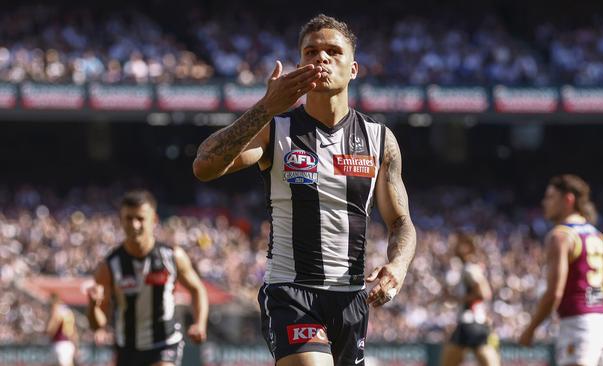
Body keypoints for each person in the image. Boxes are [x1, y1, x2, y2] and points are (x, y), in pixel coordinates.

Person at [193, 14, 417, 366]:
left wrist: (399, 266)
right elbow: (204, 164)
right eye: (311, 52)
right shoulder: (276, 129)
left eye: (333, 51)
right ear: (299, 64)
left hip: (349, 300)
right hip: (291, 293)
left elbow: (401, 222)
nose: (321, 58)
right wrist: (266, 107)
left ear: (354, 69)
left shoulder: (379, 141)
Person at [86, 190, 209, 366]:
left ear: (154, 220)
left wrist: (200, 323)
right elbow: (97, 324)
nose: (134, 225)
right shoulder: (109, 266)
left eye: (140, 218)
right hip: (126, 349)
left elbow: (198, 289)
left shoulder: (173, 257)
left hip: (165, 343)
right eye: (128, 218)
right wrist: (92, 305)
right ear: (121, 220)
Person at [519, 175, 603, 366]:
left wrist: (530, 329)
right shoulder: (596, 234)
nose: (545, 203)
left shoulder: (561, 236)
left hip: (578, 324)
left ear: (568, 200)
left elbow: (554, 292)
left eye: (550, 197)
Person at [440, 233, 500, 366]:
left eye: (458, 244)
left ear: (467, 247)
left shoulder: (469, 268)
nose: (454, 248)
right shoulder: (469, 267)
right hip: (474, 322)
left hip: (470, 323)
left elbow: (484, 293)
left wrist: (460, 299)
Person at [47, 293, 78, 366]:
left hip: (61, 342)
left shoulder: (57, 312)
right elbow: (73, 330)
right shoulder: (68, 312)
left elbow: (50, 329)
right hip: (68, 342)